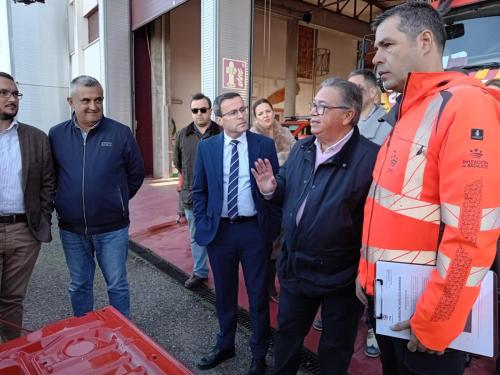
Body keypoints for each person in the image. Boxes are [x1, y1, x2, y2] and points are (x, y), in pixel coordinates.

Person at [355, 3, 500, 375]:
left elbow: (472, 231)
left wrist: (436, 322)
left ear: (424, 41)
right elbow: (385, 210)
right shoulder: (410, 110)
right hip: (391, 306)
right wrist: (366, 278)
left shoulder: (463, 105)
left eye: (387, 45)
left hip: (423, 322)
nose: (376, 58)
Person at [252, 78, 379, 375]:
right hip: (296, 267)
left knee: (335, 348)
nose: (313, 113)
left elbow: (376, 224)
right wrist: (271, 189)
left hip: (343, 277)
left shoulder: (371, 159)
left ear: (347, 115)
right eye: (313, 105)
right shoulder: (303, 148)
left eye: (322, 107)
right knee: (286, 338)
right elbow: (286, 188)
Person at [192, 92, 281, 375]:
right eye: (233, 112)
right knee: (225, 294)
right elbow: (199, 190)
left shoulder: (264, 145)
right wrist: (207, 220)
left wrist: (270, 201)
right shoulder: (207, 148)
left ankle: (258, 355)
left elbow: (275, 191)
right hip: (221, 233)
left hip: (254, 231)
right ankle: (225, 345)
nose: (242, 115)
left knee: (257, 296)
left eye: (243, 109)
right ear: (219, 119)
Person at [49, 75, 145, 318]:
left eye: (99, 99)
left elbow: (136, 174)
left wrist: (116, 199)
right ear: (70, 101)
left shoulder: (120, 133)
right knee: (79, 284)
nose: (94, 106)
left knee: (117, 284)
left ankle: (122, 331)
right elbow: (51, 176)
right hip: (71, 228)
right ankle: (84, 330)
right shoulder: (56, 135)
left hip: (112, 229)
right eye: (86, 100)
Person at [0, 72, 55, 342]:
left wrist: (42, 218)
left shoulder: (35, 137)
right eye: (4, 93)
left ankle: (10, 357)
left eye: (15, 94)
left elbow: (48, 183)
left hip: (24, 231)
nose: (11, 99)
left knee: (12, 300)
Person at [251, 98, 295, 302]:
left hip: (286, 193)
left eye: (267, 111)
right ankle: (266, 285)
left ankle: (279, 283)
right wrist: (283, 158)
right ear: (255, 117)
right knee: (265, 244)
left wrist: (278, 159)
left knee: (282, 242)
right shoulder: (252, 137)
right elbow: (258, 165)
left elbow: (296, 156)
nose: (266, 115)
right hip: (262, 196)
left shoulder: (284, 132)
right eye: (260, 113)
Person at [174, 93, 220, 288]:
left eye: (203, 109)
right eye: (195, 110)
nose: (199, 113)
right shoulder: (182, 135)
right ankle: (200, 272)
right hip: (192, 196)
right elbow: (180, 166)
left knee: (220, 238)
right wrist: (179, 206)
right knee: (196, 237)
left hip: (218, 197)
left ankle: (222, 273)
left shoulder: (222, 133)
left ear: (210, 111)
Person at [348, 68, 392, 146]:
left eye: (355, 89)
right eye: (347, 90)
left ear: (372, 92)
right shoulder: (344, 120)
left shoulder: (389, 126)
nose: (350, 94)